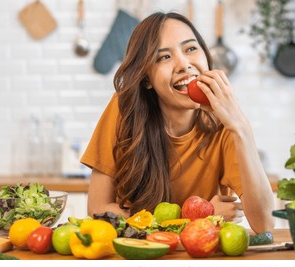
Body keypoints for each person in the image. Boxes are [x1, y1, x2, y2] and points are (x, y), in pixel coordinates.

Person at [80, 12, 274, 233]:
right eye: (163, 57)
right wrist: (199, 216)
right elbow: (98, 210)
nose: (183, 64)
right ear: (147, 80)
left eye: (191, 49)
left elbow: (264, 224)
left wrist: (240, 127)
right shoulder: (124, 110)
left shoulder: (224, 124)